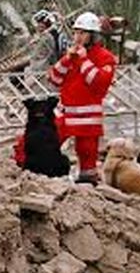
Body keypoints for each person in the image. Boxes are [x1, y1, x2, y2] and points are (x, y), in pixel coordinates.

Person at [47, 12, 117, 183]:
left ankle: (88, 181)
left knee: (87, 154)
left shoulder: (105, 57)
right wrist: (66, 59)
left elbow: (98, 84)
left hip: (88, 117)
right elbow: (54, 79)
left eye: (82, 33)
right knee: (46, 140)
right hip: (65, 112)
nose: (77, 37)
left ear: (92, 35)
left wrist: (84, 60)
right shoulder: (71, 55)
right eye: (76, 32)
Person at [26, 9, 60, 73]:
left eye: (41, 23)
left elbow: (50, 53)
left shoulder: (48, 36)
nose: (39, 25)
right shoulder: (40, 36)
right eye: (38, 23)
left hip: (46, 68)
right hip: (40, 67)